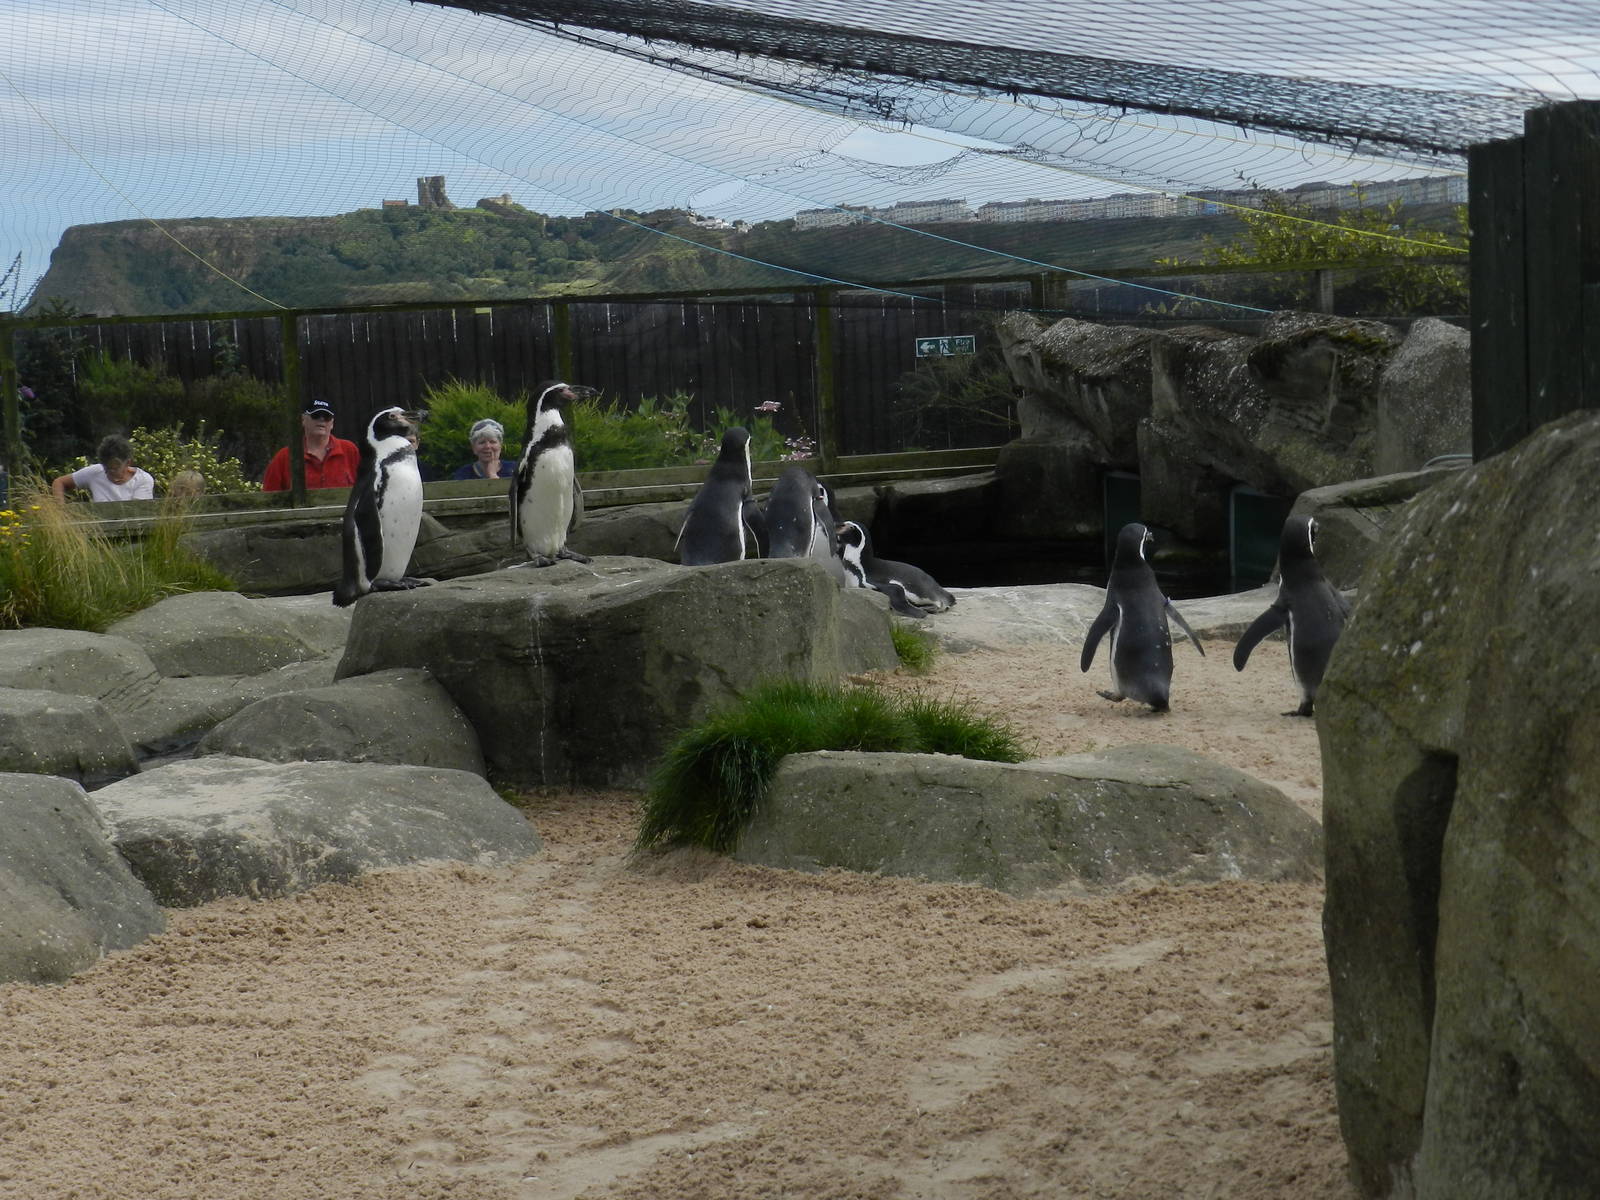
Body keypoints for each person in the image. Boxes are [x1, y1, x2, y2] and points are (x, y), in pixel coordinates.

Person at [261, 398, 360, 492]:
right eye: (315, 415)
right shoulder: (284, 457)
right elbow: (268, 500)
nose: (321, 419)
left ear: (332, 423)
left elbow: (367, 489)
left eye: (327, 416)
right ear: (303, 420)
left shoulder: (350, 450)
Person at [51, 434, 155, 502]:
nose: (110, 472)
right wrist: (60, 509)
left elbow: (137, 514)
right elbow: (59, 482)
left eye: (115, 468)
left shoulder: (143, 480)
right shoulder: (95, 472)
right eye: (106, 468)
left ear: (128, 463)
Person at [451, 418, 515, 480]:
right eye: (482, 442)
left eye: (492, 442)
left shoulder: (515, 469)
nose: (487, 446)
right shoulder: (463, 474)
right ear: (474, 448)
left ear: (500, 446)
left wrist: (492, 475)